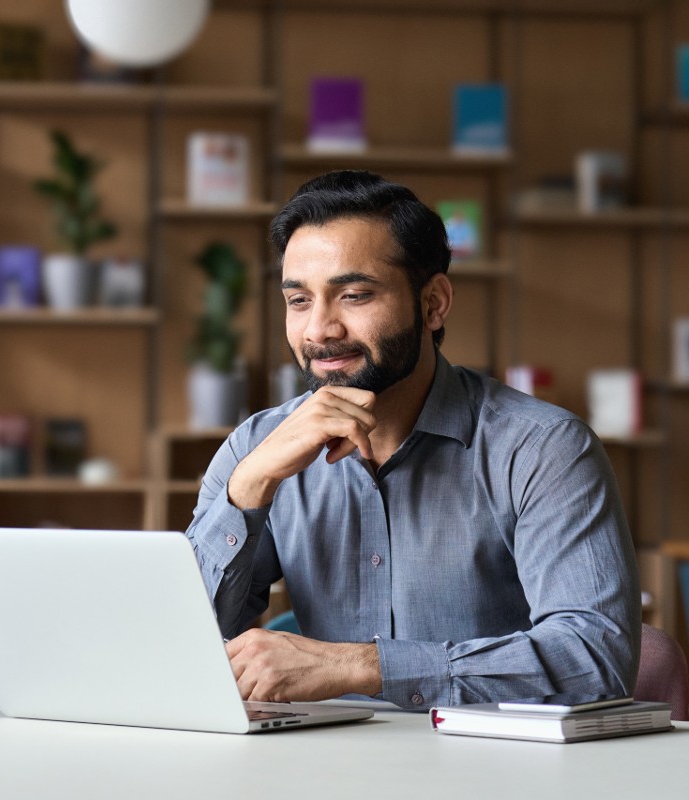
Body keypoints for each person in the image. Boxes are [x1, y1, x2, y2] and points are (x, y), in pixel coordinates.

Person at [185, 170, 640, 711]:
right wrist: (250, 489)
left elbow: (595, 659)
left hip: (499, 773)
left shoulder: (544, 449)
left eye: (353, 295)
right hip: (320, 773)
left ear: (433, 304)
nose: (319, 331)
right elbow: (175, 648)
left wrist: (363, 666)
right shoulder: (255, 448)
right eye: (299, 301)